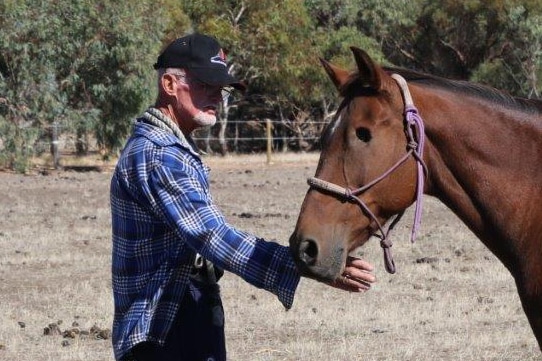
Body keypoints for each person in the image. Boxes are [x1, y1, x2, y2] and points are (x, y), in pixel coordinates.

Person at [110, 32, 376, 361]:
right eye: (205, 85)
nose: (217, 97)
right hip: (163, 328)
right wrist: (305, 264)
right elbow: (212, 235)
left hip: (184, 308)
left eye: (219, 89)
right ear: (168, 84)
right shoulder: (158, 154)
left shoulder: (173, 147)